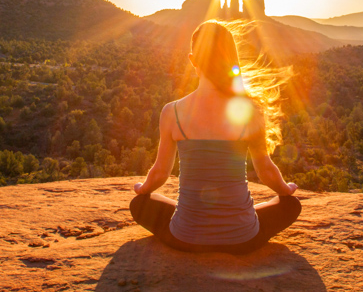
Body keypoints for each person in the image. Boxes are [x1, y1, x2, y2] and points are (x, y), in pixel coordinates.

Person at [129, 20, 301, 254]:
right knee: (290, 206)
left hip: (186, 239)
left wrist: (143, 187)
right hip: (243, 240)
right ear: (231, 59)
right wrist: (285, 189)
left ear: (193, 60)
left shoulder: (172, 112)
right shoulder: (250, 111)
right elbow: (266, 171)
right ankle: (239, 222)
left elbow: (160, 172)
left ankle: (193, 223)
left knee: (140, 204)